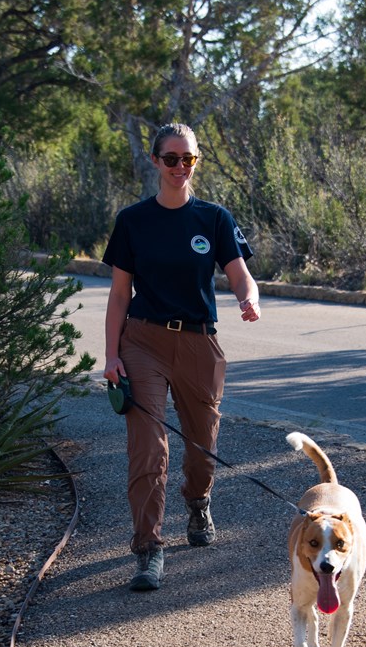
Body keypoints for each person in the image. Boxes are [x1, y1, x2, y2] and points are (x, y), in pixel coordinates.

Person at [101, 122, 262, 591]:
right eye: (170, 158)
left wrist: (248, 297)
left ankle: (198, 501)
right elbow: (117, 295)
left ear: (196, 162)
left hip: (198, 343)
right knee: (148, 447)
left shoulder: (213, 218)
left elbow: (239, 273)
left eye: (188, 159)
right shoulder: (133, 220)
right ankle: (148, 549)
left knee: (201, 448)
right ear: (155, 162)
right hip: (143, 341)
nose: (179, 167)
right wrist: (111, 356)